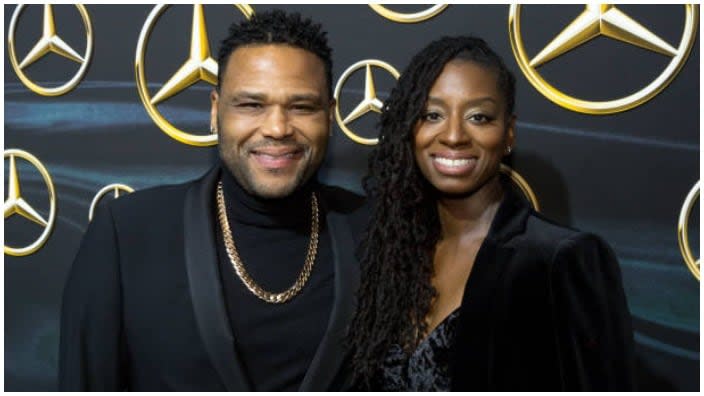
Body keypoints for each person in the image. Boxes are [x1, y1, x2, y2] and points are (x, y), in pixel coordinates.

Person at [59, 10, 367, 391]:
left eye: (301, 107)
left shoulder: (371, 230)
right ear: (214, 110)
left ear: (330, 116)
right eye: (252, 105)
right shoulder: (127, 233)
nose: (276, 127)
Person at [346, 36, 636, 391]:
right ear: (410, 128)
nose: (453, 135)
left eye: (478, 117)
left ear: (508, 132)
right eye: (432, 115)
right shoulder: (387, 252)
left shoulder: (558, 260)